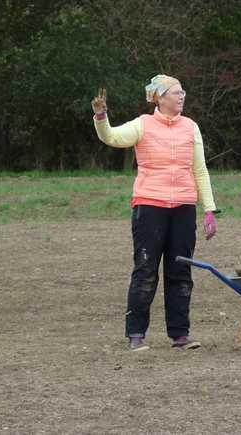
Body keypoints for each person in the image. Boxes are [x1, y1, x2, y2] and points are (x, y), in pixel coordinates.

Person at [91, 75, 219, 351]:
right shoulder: (143, 124)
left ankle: (180, 335)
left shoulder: (191, 127)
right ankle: (136, 334)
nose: (182, 96)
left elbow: (200, 169)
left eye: (183, 92)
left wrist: (209, 209)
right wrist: (101, 117)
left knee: (180, 271)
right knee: (146, 270)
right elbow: (112, 137)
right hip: (149, 206)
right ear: (159, 98)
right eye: (175, 93)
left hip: (184, 208)